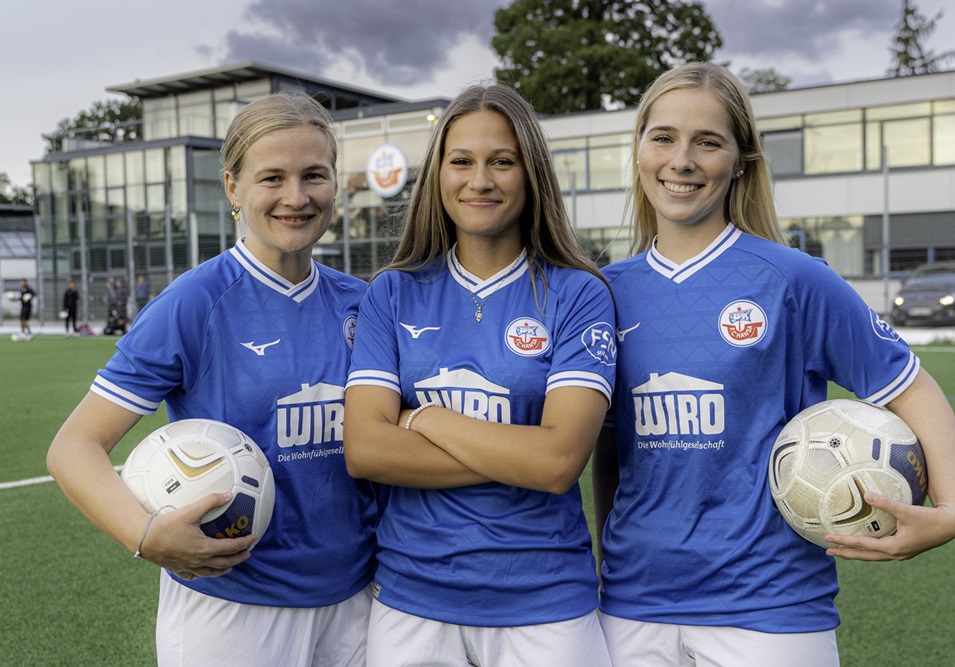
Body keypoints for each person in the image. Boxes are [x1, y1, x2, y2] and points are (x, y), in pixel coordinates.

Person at [593, 61, 955, 666]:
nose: (681, 160)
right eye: (663, 137)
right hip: (631, 609)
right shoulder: (602, 292)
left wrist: (948, 512)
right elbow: (609, 449)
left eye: (707, 142)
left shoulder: (794, 280)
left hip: (770, 612)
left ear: (740, 161)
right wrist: (610, 561)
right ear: (638, 150)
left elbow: (912, 387)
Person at [47, 91, 377, 666]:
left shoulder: (363, 303)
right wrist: (144, 535)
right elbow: (74, 447)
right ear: (233, 187)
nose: (296, 197)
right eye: (272, 177)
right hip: (232, 607)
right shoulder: (194, 302)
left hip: (357, 603)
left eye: (314, 176)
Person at [343, 83, 617, 667]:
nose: (480, 180)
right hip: (412, 599)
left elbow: (556, 464)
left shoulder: (578, 294)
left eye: (502, 161)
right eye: (461, 161)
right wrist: (517, 453)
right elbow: (366, 449)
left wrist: (424, 419)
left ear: (531, 172)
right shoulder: (391, 292)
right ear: (437, 174)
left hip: (546, 600)